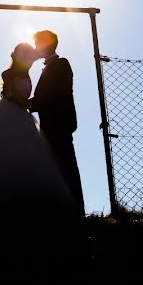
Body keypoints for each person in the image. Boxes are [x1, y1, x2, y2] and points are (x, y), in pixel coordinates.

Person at [0, 42, 75, 217]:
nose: (28, 57)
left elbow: (40, 55)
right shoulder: (8, 74)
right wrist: (27, 104)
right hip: (8, 114)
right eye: (24, 54)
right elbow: (14, 95)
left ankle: (28, 200)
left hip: (24, 114)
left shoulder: (31, 67)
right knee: (9, 156)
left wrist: (37, 51)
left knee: (29, 157)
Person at [28, 30, 86, 216]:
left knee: (67, 169)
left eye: (38, 44)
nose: (36, 48)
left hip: (60, 125)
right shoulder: (48, 67)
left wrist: (26, 103)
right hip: (51, 127)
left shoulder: (61, 64)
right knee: (57, 169)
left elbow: (52, 95)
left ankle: (76, 213)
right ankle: (61, 212)